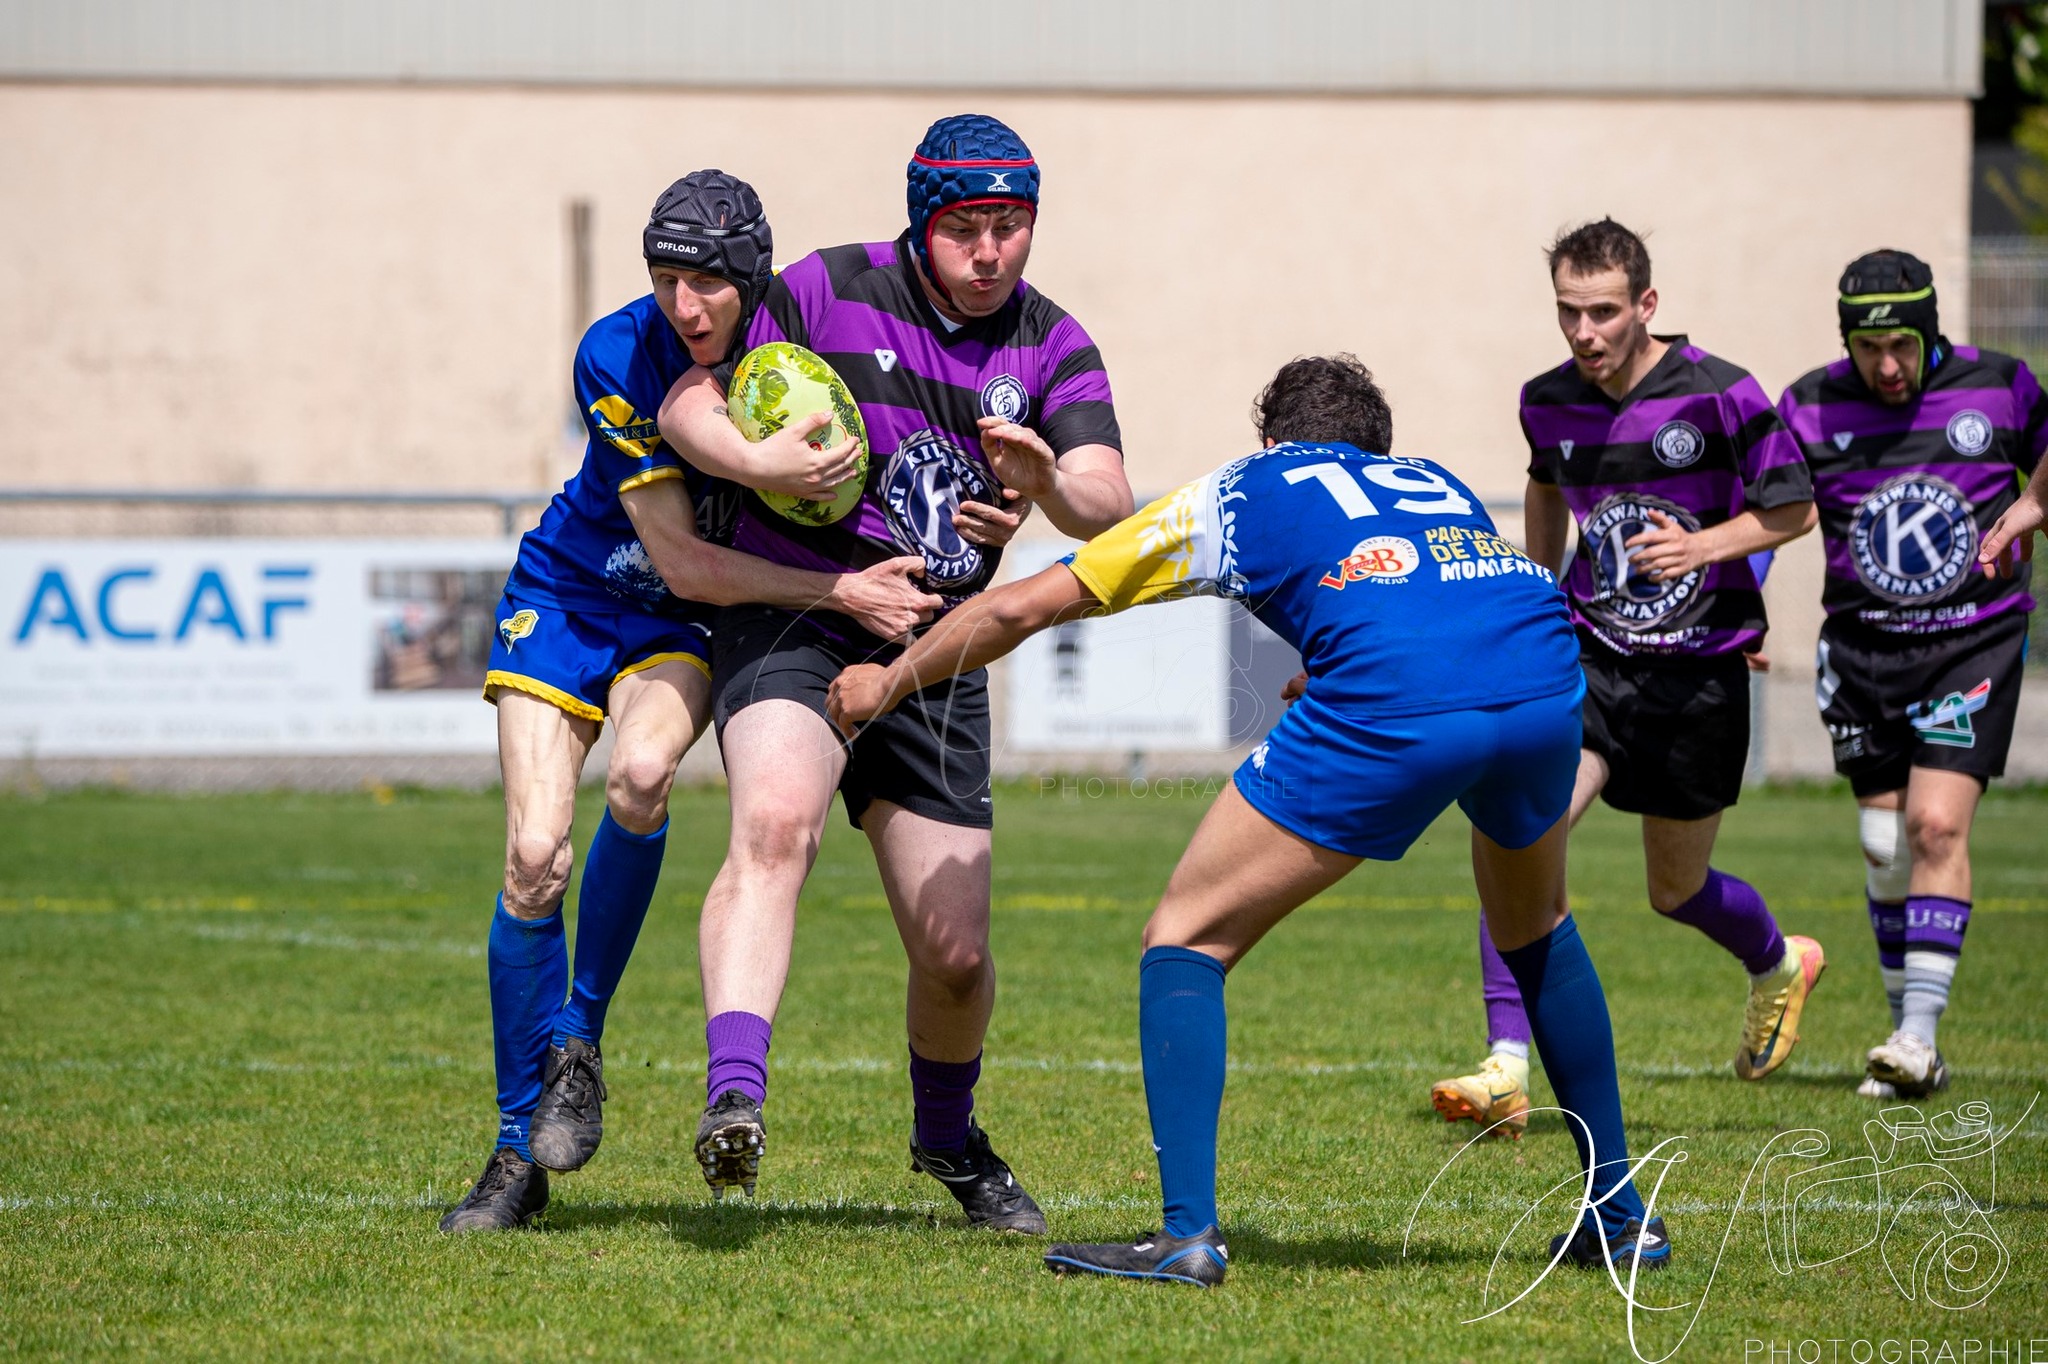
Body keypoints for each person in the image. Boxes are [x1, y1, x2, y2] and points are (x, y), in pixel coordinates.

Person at [827, 355, 1671, 1285]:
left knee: (1184, 938)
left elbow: (1028, 604)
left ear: (1272, 441)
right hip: (1545, 684)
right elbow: (1438, 611)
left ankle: (1186, 1234)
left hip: (1400, 702)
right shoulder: (1434, 483)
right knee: (1538, 928)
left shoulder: (1244, 488)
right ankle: (1623, 1217)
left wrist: (887, 679)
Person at [439, 172, 942, 1233]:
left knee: (641, 771)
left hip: (671, 622)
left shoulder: (793, 355)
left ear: (748, 277)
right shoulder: (615, 353)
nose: (685, 305)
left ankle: (577, 1031)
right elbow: (682, 556)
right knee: (533, 855)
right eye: (667, 279)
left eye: (705, 282)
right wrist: (833, 587)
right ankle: (511, 1149)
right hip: (574, 593)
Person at [657, 115, 1131, 1225]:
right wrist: (752, 456)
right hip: (800, 622)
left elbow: (1108, 498)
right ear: (921, 220)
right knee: (776, 824)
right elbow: (686, 393)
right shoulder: (829, 287)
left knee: (956, 954)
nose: (987, 253)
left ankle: (946, 1141)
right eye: (963, 227)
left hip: (933, 655)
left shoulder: (1050, 344)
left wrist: (1046, 477)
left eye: (1008, 228)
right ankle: (736, 1093)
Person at [1428, 219, 1826, 1140]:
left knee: (1675, 891)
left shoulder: (1723, 395)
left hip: (1699, 680)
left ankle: (1779, 962)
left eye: (1603, 311)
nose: (1584, 332)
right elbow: (1542, 483)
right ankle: (1505, 1064)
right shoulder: (1546, 401)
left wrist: (1705, 546)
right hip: (1593, 662)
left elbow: (1792, 507)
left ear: (1647, 305)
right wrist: (1536, 589)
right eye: (1569, 312)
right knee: (1522, 831)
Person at [1778, 250, 2046, 1098]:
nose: (1885, 365)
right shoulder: (1810, 405)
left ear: (1929, 330)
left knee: (1935, 828)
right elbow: (1769, 508)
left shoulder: (2001, 386)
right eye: (1868, 348)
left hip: (1971, 641)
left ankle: (1918, 1034)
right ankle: (1910, 1039)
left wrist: (2032, 504)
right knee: (1884, 844)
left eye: (1900, 345)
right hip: (1862, 654)